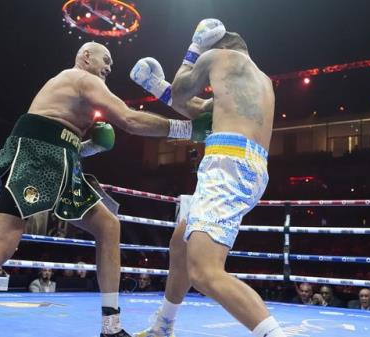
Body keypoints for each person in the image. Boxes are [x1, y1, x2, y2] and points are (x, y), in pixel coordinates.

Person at [0, 41, 211, 337]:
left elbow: (65, 146)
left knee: (108, 225)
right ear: (85, 57)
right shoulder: (82, 78)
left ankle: (111, 327)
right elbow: (129, 119)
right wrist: (189, 130)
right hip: (33, 157)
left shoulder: (74, 95)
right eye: (105, 59)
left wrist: (90, 145)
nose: (109, 67)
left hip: (62, 162)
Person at [132, 18, 284, 337]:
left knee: (205, 272)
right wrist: (156, 87)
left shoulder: (216, 56)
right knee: (180, 243)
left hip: (227, 164)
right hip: (247, 164)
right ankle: (163, 326)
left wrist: (195, 47)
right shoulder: (261, 80)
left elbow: (185, 87)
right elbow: (200, 109)